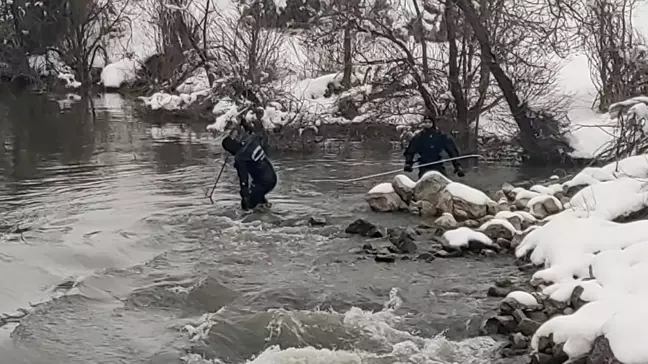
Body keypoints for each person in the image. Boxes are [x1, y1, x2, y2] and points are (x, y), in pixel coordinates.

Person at [222, 129, 277, 211]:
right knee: (258, 197)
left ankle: (256, 219)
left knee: (248, 205)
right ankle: (266, 209)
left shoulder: (240, 157)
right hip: (272, 177)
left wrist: (245, 196)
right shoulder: (250, 141)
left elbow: (243, 178)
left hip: (263, 182)